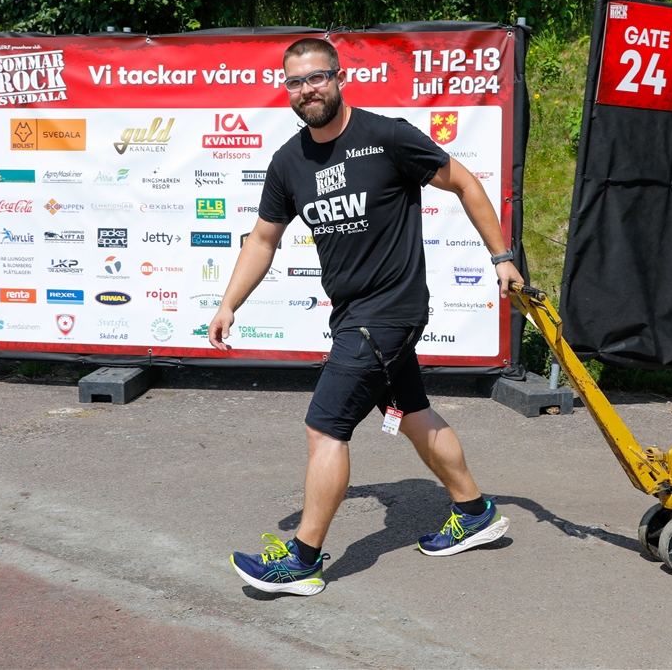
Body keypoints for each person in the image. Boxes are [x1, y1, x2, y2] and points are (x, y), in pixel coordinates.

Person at [208, 38, 524, 596]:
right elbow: (262, 239)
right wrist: (229, 302)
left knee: (324, 428)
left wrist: (501, 258)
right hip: (354, 313)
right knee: (411, 411)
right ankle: (475, 512)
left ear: (338, 77)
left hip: (387, 314)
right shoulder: (289, 162)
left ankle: (302, 561)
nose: (308, 90)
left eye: (317, 78)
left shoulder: (386, 137)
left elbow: (465, 184)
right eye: (296, 82)